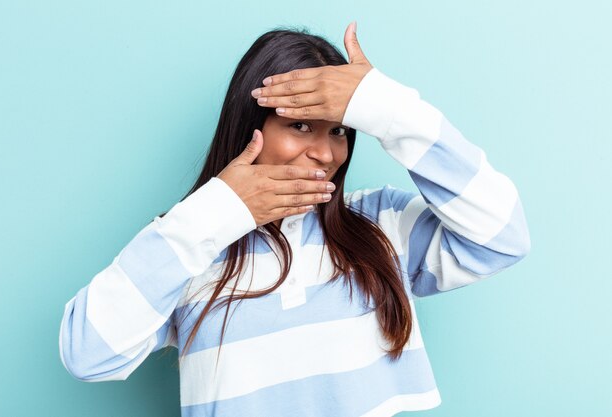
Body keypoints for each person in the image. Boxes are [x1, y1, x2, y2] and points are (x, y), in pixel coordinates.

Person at [59, 21, 531, 416]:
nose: (326, 153)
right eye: (299, 125)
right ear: (251, 127)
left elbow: (503, 237)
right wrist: (218, 211)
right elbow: (87, 353)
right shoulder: (190, 242)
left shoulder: (380, 225)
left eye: (341, 130)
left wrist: (390, 110)